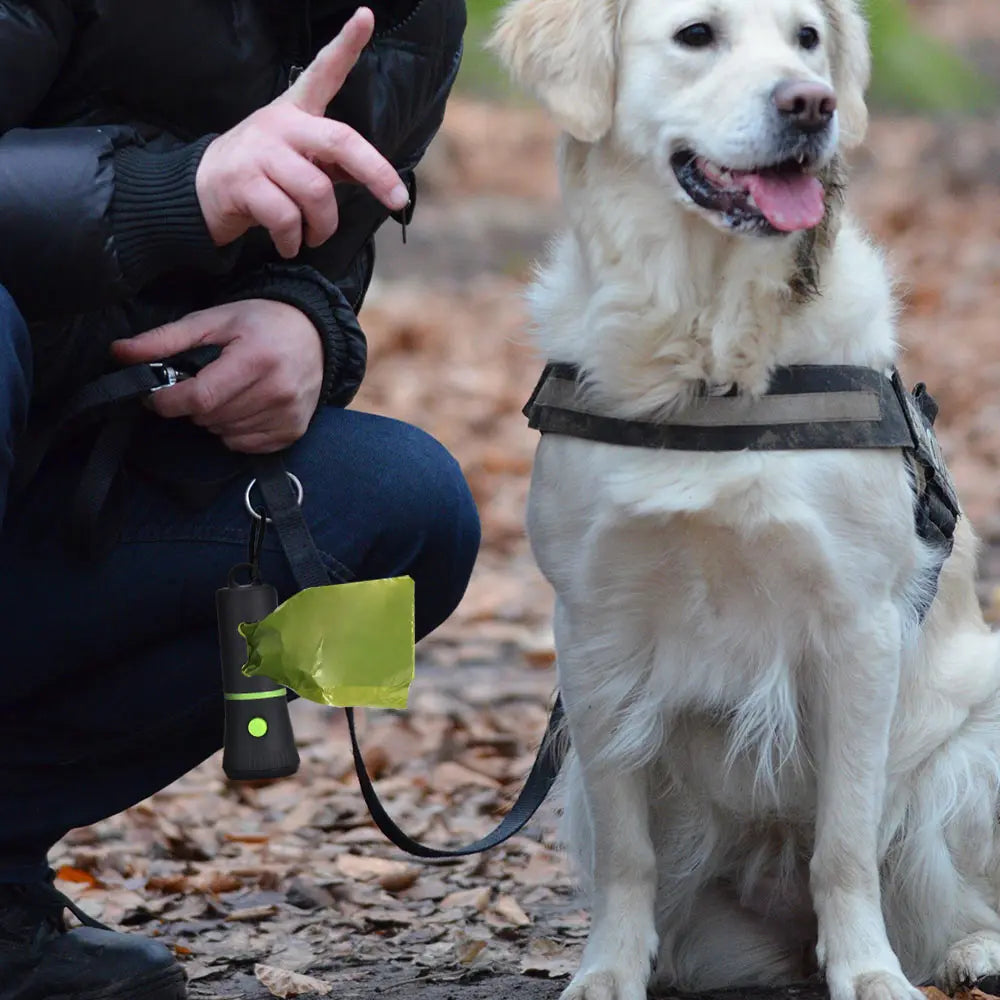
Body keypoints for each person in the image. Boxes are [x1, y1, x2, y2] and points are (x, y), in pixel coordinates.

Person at [0, 2, 477, 998]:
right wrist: (171, 193)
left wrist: (308, 330)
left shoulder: (416, 14)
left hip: (82, 461)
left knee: (407, 516)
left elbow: (319, 264)